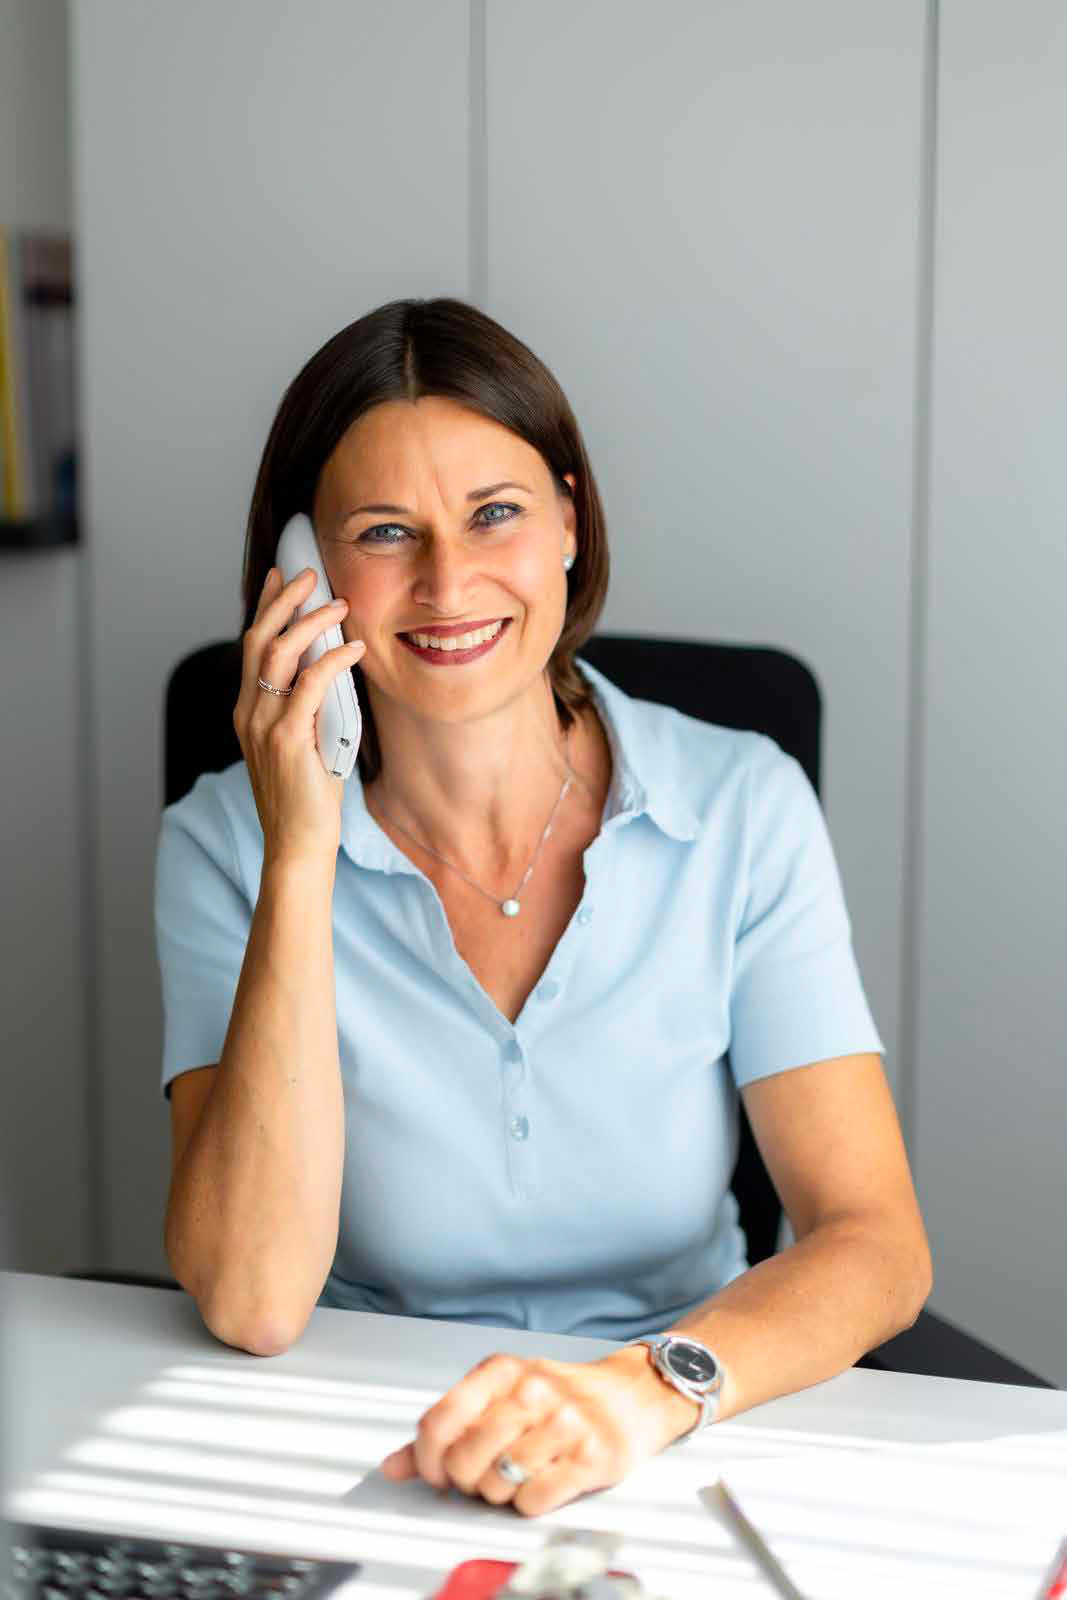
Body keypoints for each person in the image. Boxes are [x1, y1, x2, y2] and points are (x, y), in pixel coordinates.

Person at [156, 296, 932, 1519]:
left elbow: (874, 1244)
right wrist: (300, 853)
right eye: (382, 532)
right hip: (352, 1450)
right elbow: (252, 1299)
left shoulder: (739, 806)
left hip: (675, 1432)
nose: (448, 581)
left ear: (568, 518)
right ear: (302, 574)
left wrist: (640, 1391)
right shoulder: (219, 845)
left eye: (495, 514)